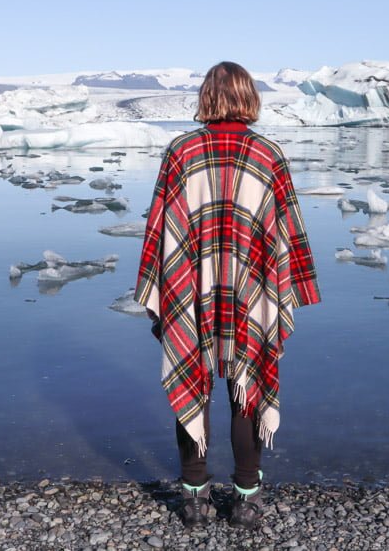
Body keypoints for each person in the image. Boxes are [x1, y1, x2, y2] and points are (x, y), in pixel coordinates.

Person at [134, 61, 321, 530]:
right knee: (248, 388)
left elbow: (160, 232)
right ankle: (245, 500)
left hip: (191, 286)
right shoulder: (268, 154)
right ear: (249, 98)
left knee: (190, 378)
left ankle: (194, 500)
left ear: (206, 97)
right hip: (250, 289)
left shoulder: (181, 150)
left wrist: (160, 289)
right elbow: (287, 232)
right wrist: (294, 285)